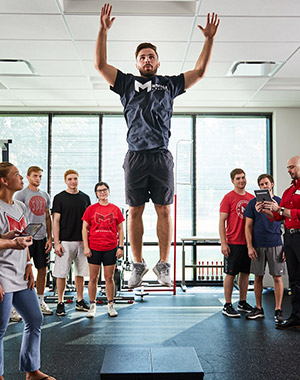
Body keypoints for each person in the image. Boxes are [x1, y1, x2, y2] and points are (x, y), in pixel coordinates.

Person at [94, 3, 220, 288]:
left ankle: (164, 263)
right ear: (137, 63)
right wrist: (103, 30)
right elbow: (100, 65)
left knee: (164, 210)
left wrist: (209, 39)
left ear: (158, 62)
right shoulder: (125, 83)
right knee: (135, 211)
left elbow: (199, 71)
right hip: (136, 156)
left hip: (161, 155)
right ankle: (138, 264)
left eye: (151, 56)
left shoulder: (169, 84)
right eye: (142, 57)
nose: (147, 60)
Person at [0, 162, 55, 380]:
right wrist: (12, 243)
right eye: (17, 175)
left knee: (34, 319)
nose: (21, 178)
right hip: (2, 274)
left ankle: (32, 371)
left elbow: (21, 238)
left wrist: (28, 264)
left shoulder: (20, 207)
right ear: (4, 181)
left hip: (20, 273)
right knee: (0, 329)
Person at [256, 156, 300, 329]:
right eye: (288, 167)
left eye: (292, 167)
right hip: (289, 237)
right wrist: (266, 211)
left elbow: (288, 211)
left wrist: (280, 209)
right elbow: (279, 216)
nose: (289, 170)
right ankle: (296, 318)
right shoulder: (290, 191)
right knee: (295, 280)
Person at [244, 174, 286, 322]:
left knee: (277, 277)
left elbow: (287, 225)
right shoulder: (253, 203)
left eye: (266, 183)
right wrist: (250, 247)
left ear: (272, 184)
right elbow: (248, 226)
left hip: (276, 243)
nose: (264, 186)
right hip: (258, 245)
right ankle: (258, 308)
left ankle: (278, 310)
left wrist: (286, 247)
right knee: (258, 277)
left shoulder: (280, 202)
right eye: (261, 184)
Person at [82, 182, 124, 318]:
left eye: (104, 190)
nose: (102, 193)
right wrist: (86, 247)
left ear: (108, 191)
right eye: (99, 191)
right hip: (94, 248)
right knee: (93, 278)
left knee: (109, 278)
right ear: (96, 194)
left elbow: (121, 229)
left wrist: (121, 247)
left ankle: (110, 306)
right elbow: (85, 228)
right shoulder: (91, 209)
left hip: (110, 248)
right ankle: (92, 307)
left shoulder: (115, 209)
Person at [14, 166, 53, 316]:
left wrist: (50, 238)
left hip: (41, 238)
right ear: (28, 177)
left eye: (40, 176)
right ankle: (15, 306)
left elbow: (47, 217)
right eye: (35, 176)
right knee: (22, 270)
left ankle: (40, 300)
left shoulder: (45, 195)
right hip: (26, 238)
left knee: (42, 269)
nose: (38, 179)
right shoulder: (20, 195)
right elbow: (16, 217)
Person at [52, 169, 91, 317]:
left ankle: (80, 301)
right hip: (65, 242)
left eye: (75, 179)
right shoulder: (59, 198)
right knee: (61, 274)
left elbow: (88, 222)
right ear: (65, 181)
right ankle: (60, 302)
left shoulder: (85, 198)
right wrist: (56, 242)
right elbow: (56, 221)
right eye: (70, 179)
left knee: (80, 273)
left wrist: (88, 243)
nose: (73, 181)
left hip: (82, 241)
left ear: (78, 180)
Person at [219, 168, 254, 317]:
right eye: (238, 178)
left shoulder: (252, 198)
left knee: (245, 274)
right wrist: (223, 243)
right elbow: (222, 221)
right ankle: (227, 305)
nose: (241, 181)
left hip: (248, 243)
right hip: (232, 242)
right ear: (232, 181)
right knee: (230, 274)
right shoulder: (228, 197)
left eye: (243, 178)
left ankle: (242, 302)